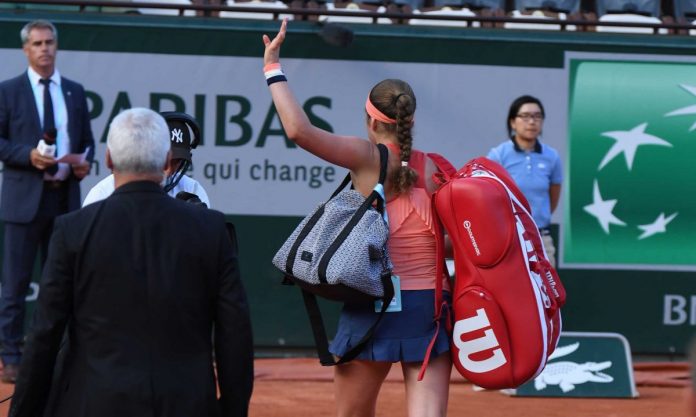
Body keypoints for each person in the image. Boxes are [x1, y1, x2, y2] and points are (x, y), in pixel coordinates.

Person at [7, 108, 254, 417]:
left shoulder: (72, 230)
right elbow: (235, 332)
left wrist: (22, 411)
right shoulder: (211, 229)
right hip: (187, 403)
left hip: (97, 402)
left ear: (109, 159)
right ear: (166, 161)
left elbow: (45, 333)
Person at [262, 20, 451, 417]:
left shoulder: (366, 157)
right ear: (411, 121)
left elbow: (298, 131)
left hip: (375, 304)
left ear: (371, 121)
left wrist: (272, 67)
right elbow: (449, 244)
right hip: (429, 310)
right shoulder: (436, 169)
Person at [0, 19, 95, 383]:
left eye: (49, 42)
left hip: (64, 201)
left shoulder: (74, 91)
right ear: (26, 50)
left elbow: (87, 141)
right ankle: (11, 356)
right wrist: (27, 155)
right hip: (23, 202)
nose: (44, 49)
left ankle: (58, 354)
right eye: (37, 44)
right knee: (15, 285)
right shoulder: (8, 91)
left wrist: (83, 163)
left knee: (62, 283)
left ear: (57, 46)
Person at [487, 95, 563, 267]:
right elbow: (488, 197)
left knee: (545, 284)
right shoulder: (498, 155)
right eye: (525, 116)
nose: (532, 122)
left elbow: (553, 198)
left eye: (537, 116)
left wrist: (536, 218)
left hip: (541, 237)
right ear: (513, 122)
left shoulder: (552, 157)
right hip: (508, 238)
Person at [82, 111, 210, 207]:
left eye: (177, 162)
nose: (169, 169)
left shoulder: (193, 189)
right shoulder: (102, 193)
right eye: (165, 160)